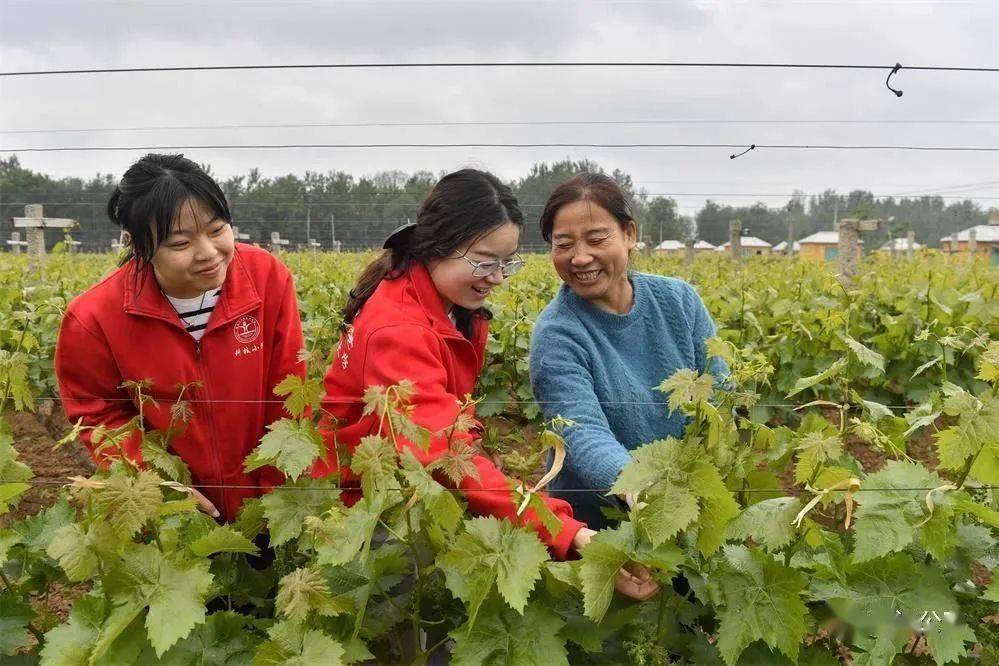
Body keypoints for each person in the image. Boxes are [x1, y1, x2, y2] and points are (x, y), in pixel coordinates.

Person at [313, 169, 657, 598]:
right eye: (483, 261)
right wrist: (569, 533)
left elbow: (446, 434)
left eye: (505, 263)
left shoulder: (447, 304)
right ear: (436, 246)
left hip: (409, 490)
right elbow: (443, 454)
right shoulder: (399, 329)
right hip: (371, 513)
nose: (496, 277)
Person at [55, 153, 305, 521]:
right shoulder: (93, 319)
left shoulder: (267, 278)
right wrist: (160, 488)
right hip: (173, 518)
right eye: (180, 244)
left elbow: (289, 391)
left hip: (269, 505)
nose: (208, 253)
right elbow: (98, 416)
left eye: (218, 230)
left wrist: (277, 495)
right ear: (137, 243)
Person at [529, 173, 728, 529]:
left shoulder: (679, 302)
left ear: (630, 235)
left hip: (686, 504)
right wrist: (647, 492)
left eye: (596, 238)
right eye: (563, 244)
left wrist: (686, 491)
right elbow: (581, 432)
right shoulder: (556, 334)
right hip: (596, 528)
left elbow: (720, 393)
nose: (580, 257)